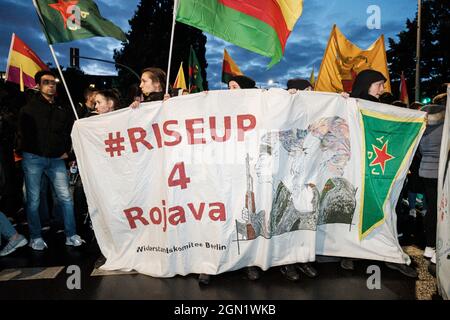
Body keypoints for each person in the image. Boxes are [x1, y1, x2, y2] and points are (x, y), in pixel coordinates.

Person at [346, 69, 418, 278]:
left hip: (377, 172)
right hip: (355, 172)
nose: (383, 89)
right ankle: (349, 253)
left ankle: (388, 254)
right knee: (354, 211)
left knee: (382, 211)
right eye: (379, 84)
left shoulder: (379, 108)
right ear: (367, 84)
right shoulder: (350, 105)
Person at [17, 70, 84, 250]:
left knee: (65, 197)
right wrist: (26, 153)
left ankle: (71, 234)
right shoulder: (28, 109)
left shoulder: (62, 109)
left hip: (56, 160)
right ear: (38, 86)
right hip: (33, 159)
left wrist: (68, 154)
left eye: (53, 82)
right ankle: (36, 237)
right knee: (33, 200)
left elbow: (70, 134)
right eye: (46, 82)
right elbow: (21, 135)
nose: (51, 85)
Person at [419, 103, 446, 265]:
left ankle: (429, 246)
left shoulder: (423, 127)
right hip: (441, 173)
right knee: (442, 210)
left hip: (425, 171)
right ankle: (438, 247)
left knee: (431, 208)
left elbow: (420, 151)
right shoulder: (444, 128)